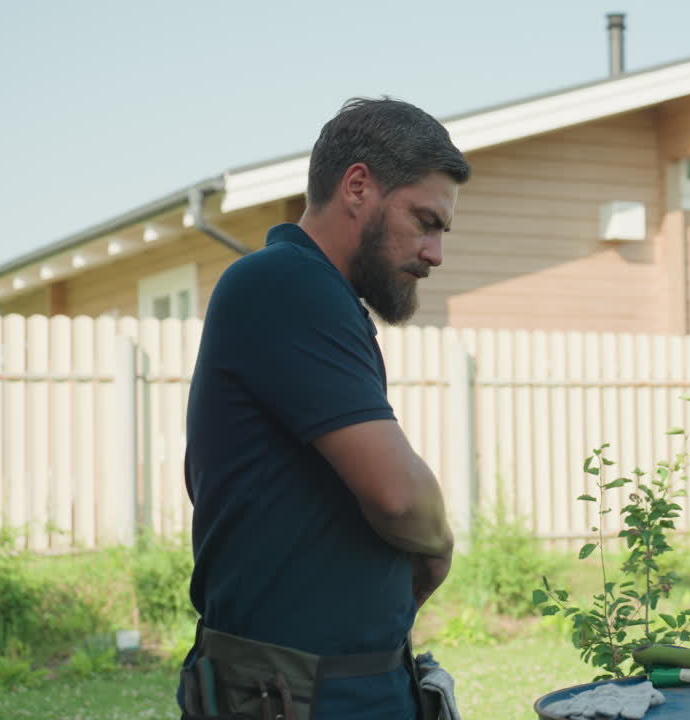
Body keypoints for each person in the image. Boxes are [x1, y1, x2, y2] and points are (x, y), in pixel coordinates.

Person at [176, 97, 471, 720]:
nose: (435, 252)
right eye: (425, 220)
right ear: (358, 186)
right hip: (294, 696)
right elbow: (400, 496)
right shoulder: (286, 283)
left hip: (331, 686)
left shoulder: (317, 298)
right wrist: (437, 543)